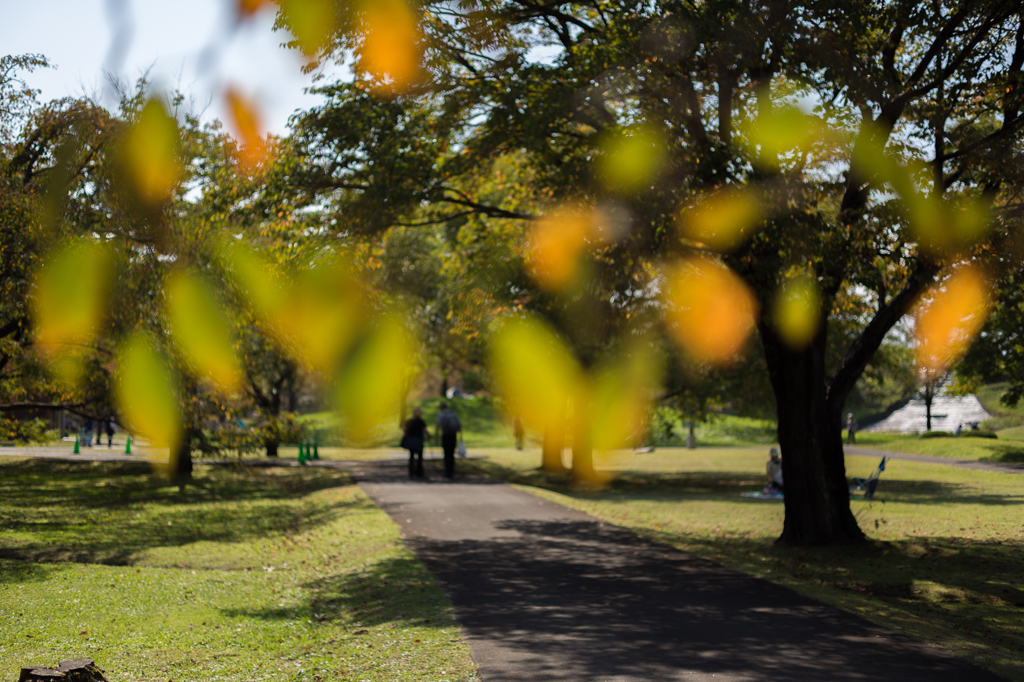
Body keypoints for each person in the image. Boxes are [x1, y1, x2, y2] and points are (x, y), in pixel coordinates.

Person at [435, 401, 462, 479]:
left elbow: (438, 426)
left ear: (440, 407)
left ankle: (447, 472)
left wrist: (436, 437)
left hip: (446, 436)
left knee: (446, 454)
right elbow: (459, 425)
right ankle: (452, 471)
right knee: (452, 454)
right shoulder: (453, 413)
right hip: (453, 435)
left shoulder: (441, 414)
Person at [403, 408, 429, 479]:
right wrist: (429, 435)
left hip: (411, 441)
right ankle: (419, 473)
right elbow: (424, 430)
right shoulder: (420, 421)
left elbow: (404, 429)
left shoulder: (409, 421)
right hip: (418, 441)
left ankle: (411, 472)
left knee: (411, 457)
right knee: (419, 457)